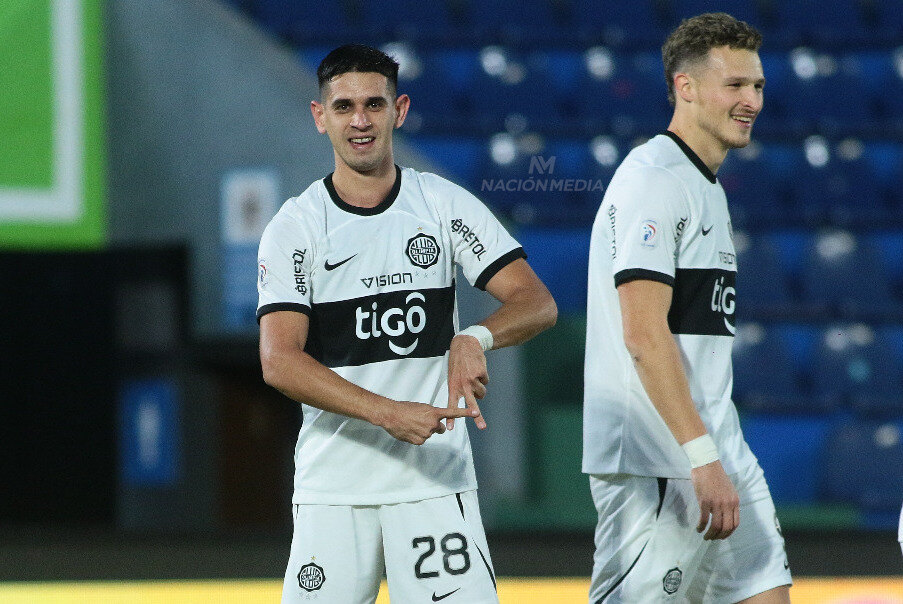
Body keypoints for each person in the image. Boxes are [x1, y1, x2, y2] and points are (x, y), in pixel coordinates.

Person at [257, 44, 557, 604]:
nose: (361, 120)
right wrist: (386, 412)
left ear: (400, 110)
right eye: (343, 107)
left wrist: (474, 336)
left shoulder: (441, 205)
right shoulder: (295, 228)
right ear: (320, 118)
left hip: (433, 481)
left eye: (374, 103)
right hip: (335, 487)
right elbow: (280, 360)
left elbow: (536, 301)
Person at [582, 13, 792, 603]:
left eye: (757, 87)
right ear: (686, 86)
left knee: (767, 592)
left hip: (716, 449)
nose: (750, 100)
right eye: (735, 86)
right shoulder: (655, 179)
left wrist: (714, 453)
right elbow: (644, 333)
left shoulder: (705, 185)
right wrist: (700, 457)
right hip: (660, 458)